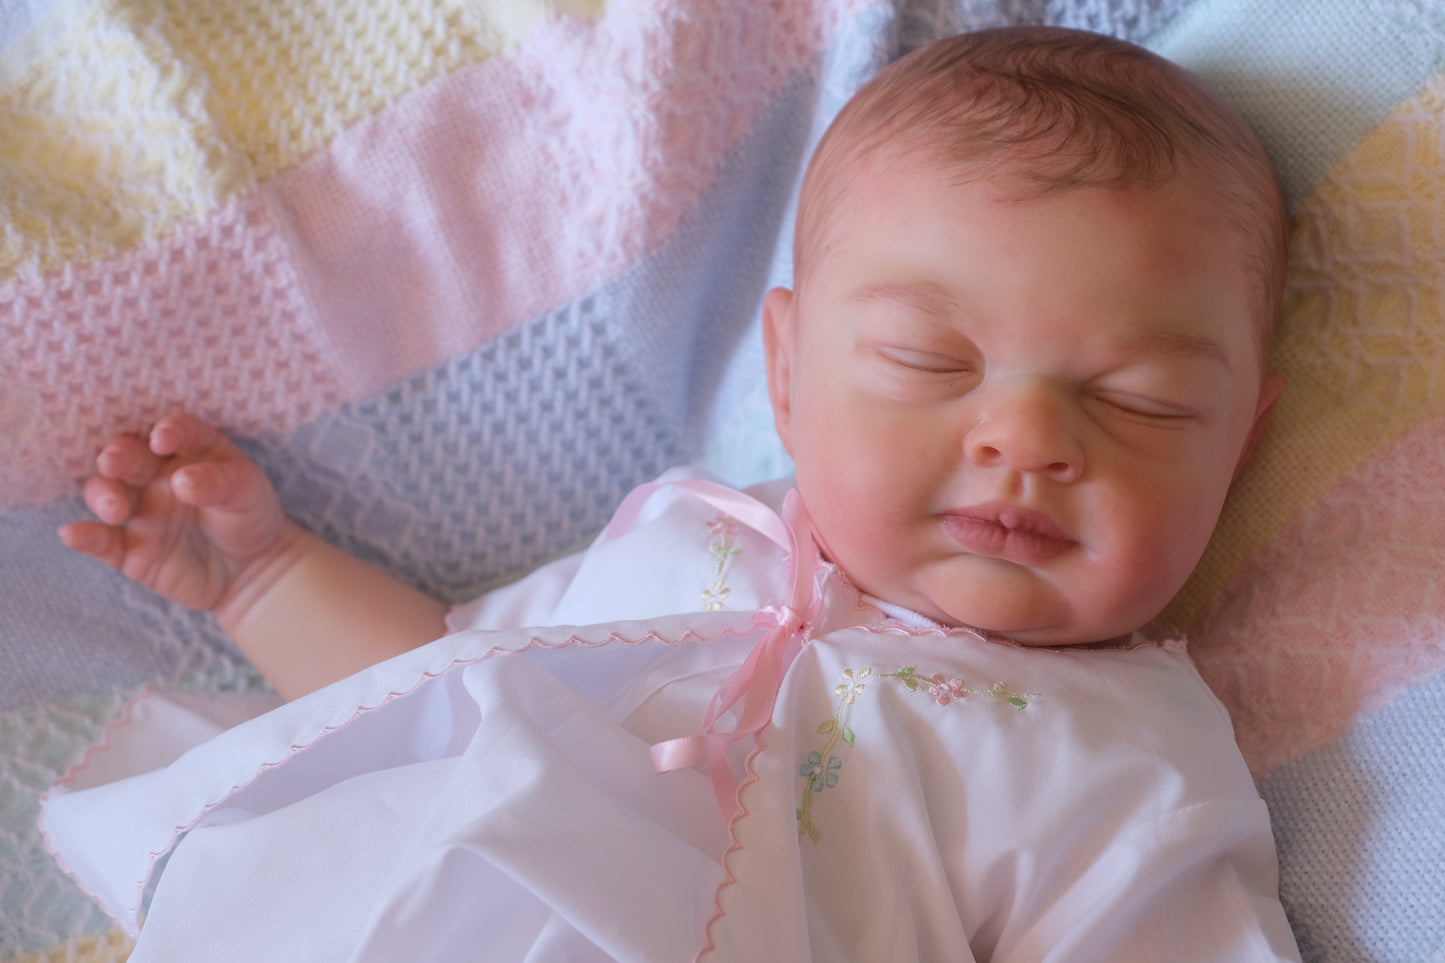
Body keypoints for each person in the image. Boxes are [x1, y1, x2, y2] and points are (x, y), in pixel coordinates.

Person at [45, 26, 1301, 962]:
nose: (1025, 438)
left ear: (1237, 449)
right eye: (931, 363)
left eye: (1139, 401)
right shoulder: (692, 536)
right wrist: (263, 580)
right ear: (788, 376)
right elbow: (437, 692)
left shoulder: (1129, 769)